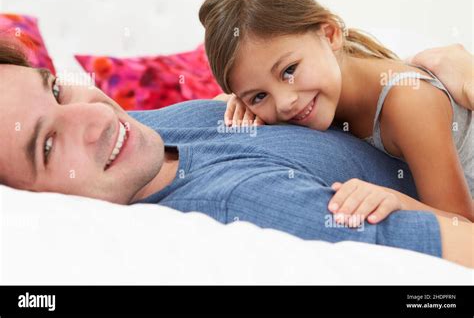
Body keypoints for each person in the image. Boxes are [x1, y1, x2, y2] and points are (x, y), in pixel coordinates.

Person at [0, 38, 472, 268]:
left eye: (58, 89)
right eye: (46, 144)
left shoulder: (141, 133)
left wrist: (420, 72)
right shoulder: (249, 204)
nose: (99, 118)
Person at [202, 0, 473, 224]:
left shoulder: (409, 102)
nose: (285, 103)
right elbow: (213, 105)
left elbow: (461, 225)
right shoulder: (317, 95)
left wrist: (399, 201)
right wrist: (243, 104)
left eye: (289, 71)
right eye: (260, 95)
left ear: (330, 34)